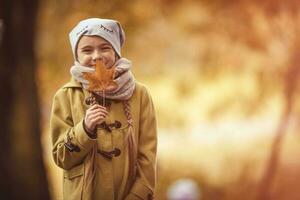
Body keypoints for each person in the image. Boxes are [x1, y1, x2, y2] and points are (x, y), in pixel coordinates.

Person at [50, 18, 157, 200]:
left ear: (116, 52)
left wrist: (137, 196)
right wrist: (85, 129)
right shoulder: (65, 96)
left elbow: (147, 157)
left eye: (105, 47)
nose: (97, 56)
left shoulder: (139, 94)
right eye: (87, 50)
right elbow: (61, 157)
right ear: (76, 56)